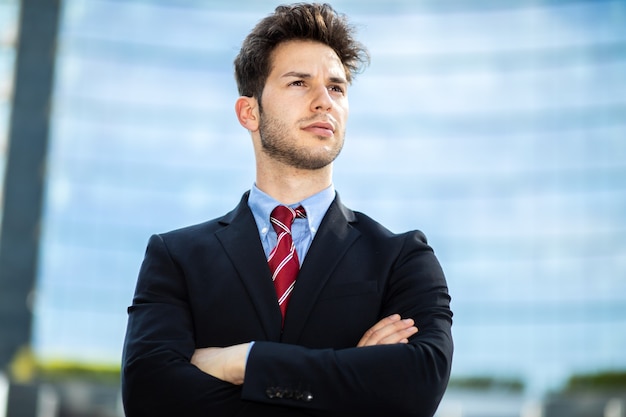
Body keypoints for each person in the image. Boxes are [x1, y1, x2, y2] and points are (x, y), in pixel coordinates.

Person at [121, 3, 453, 416]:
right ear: (250, 112)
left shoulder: (402, 258)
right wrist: (354, 378)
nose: (323, 102)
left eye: (336, 88)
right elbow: (149, 396)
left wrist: (242, 362)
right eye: (299, 83)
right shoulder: (177, 257)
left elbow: (417, 386)